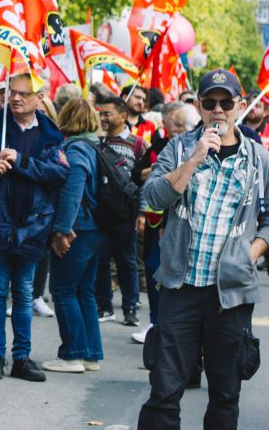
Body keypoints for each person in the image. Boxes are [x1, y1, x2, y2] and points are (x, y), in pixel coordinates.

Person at [137, 69, 269, 430]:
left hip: (231, 295)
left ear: (240, 106)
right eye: (209, 102)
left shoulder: (258, 159)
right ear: (198, 106)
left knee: (225, 395)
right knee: (164, 390)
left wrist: (252, 252)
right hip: (181, 288)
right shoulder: (179, 148)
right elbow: (151, 199)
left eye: (226, 102)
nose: (218, 110)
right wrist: (193, 160)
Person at [0, 73, 69, 383]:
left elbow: (58, 173)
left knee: (24, 293)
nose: (16, 98)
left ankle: (21, 357)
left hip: (33, 226)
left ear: (39, 97)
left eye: (23, 94)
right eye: (11, 92)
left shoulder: (50, 134)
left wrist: (21, 161)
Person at [42, 98, 105, 374]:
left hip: (78, 228)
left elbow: (72, 192)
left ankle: (72, 355)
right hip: (95, 228)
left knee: (64, 290)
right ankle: (91, 354)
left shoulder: (76, 150)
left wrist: (61, 230)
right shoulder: (95, 147)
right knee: (84, 291)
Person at [130, 101, 199, 344]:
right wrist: (165, 170)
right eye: (172, 124)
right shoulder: (163, 145)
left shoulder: (201, 148)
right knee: (153, 269)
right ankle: (156, 322)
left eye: (179, 126)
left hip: (183, 228)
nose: (173, 130)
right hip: (155, 221)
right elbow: (138, 176)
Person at [94, 95, 146, 326]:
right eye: (101, 113)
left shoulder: (137, 144)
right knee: (102, 260)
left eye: (108, 113)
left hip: (127, 212)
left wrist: (142, 213)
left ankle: (130, 307)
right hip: (102, 212)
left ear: (123, 116)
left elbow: (145, 181)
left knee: (127, 261)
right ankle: (105, 306)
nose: (103, 117)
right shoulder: (97, 141)